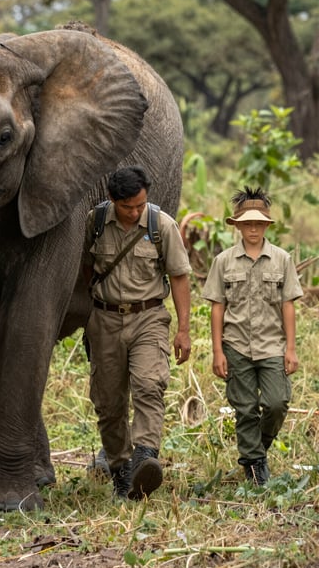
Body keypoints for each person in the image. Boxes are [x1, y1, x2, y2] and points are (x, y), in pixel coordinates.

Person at [83, 165, 192, 499]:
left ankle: (145, 455)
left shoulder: (162, 226)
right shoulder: (96, 223)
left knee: (149, 384)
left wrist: (184, 330)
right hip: (104, 319)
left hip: (149, 317)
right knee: (109, 402)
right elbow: (80, 269)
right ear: (113, 200)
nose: (134, 212)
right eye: (127, 206)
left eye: (140, 205)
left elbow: (179, 276)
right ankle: (120, 470)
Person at [202, 188, 301, 486]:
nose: (253, 229)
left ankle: (257, 447)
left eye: (259, 224)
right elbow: (218, 308)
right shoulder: (223, 262)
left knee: (277, 402)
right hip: (236, 346)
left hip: (272, 345)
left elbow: (288, 306)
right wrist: (217, 351)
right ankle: (256, 469)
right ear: (238, 226)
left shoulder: (282, 260)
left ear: (267, 226)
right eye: (247, 224)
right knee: (244, 408)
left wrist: (291, 349)